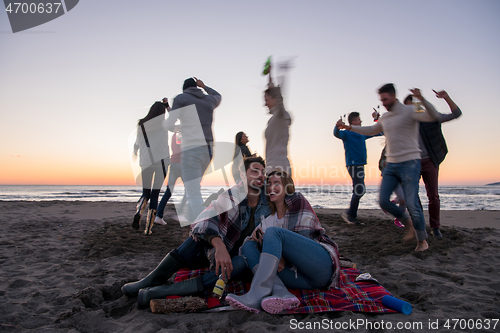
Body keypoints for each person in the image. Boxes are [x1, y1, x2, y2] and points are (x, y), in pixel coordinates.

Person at [121, 156, 272, 308]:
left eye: (263, 172)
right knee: (198, 238)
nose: (261, 175)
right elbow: (207, 217)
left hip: (245, 257)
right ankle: (152, 280)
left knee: (239, 264)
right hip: (220, 251)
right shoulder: (232, 195)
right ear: (243, 175)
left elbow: (289, 206)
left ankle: (161, 291)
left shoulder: (270, 199)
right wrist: (219, 246)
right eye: (255, 171)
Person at [337, 84, 441, 252]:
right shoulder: (385, 118)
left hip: (410, 163)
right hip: (391, 165)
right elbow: (371, 130)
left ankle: (422, 242)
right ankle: (408, 223)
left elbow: (433, 115)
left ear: (393, 96)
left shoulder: (410, 111)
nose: (383, 103)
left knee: (413, 204)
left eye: (385, 99)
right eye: (381, 100)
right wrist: (349, 127)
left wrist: (421, 99)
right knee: (383, 200)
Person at [226, 170, 341, 314]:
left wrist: (283, 257)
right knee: (249, 245)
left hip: (320, 268)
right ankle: (282, 293)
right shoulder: (269, 220)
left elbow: (308, 238)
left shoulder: (298, 201)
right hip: (300, 279)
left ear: (287, 186)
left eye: (276, 183)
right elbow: (245, 248)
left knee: (273, 233)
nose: (270, 187)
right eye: (269, 184)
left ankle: (256, 294)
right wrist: (257, 239)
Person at [404, 90, 462, 237]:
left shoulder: (431, 118)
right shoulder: (405, 124)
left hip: (430, 160)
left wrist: (446, 97)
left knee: (433, 196)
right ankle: (421, 227)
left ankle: (435, 227)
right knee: (412, 197)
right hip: (412, 163)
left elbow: (456, 114)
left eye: (412, 106)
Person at [166, 77, 221, 223]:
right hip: (208, 151)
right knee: (194, 189)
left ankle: (205, 227)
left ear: (184, 88)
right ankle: (192, 219)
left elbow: (170, 124)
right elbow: (218, 96)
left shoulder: (181, 98)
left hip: (191, 150)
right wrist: (205, 86)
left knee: (193, 193)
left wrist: (176, 126)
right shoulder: (209, 100)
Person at [334, 112, 382, 225]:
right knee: (360, 190)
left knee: (358, 190)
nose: (361, 121)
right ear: (353, 122)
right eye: (359, 119)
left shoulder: (362, 133)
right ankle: (350, 215)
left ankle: (350, 214)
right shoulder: (346, 133)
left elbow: (379, 132)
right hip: (353, 164)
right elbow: (336, 134)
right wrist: (337, 126)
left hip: (360, 164)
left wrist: (377, 120)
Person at [132, 101, 170, 233]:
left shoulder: (141, 124)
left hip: (146, 161)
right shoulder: (164, 124)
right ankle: (148, 228)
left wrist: (136, 151)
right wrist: (168, 106)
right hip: (162, 162)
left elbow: (137, 143)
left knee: (146, 192)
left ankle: (139, 210)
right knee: (155, 194)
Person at [264, 62, 292, 175]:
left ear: (275, 99)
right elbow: (273, 92)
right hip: (271, 167)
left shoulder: (281, 116)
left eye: (266, 100)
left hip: (280, 168)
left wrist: (271, 74)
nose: (265, 104)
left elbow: (277, 94)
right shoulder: (273, 120)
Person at [154, 128, 187, 225]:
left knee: (169, 191)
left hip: (174, 164)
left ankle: (159, 216)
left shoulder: (176, 135)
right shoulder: (180, 134)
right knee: (189, 190)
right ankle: (179, 214)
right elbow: (181, 149)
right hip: (181, 165)